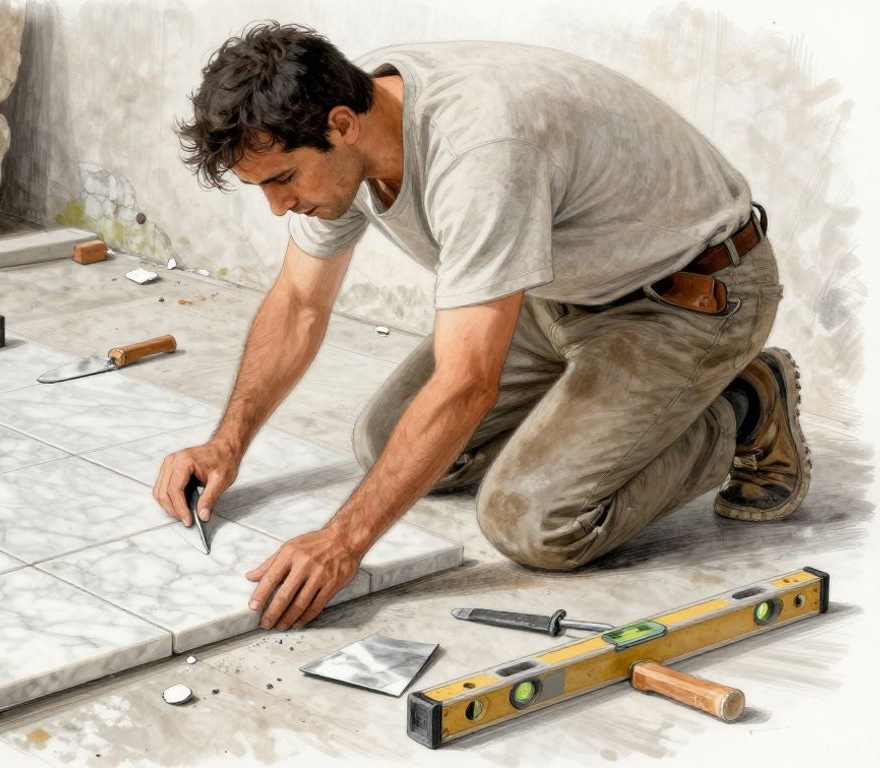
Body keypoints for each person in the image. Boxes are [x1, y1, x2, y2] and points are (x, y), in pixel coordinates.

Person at [154, 22, 811, 632]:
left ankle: (743, 403)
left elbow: (469, 384)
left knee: (532, 521)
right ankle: (615, 416)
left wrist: (342, 543)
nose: (279, 206)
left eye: (283, 180)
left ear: (342, 124)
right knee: (385, 440)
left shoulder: (479, 150)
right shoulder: (352, 127)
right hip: (558, 287)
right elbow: (299, 301)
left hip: (688, 297)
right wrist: (226, 445)